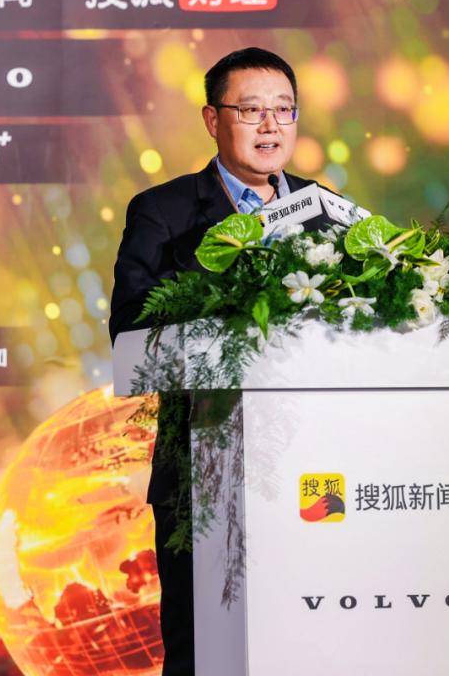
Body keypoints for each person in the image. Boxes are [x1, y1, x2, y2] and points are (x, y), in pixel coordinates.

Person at [109, 47, 339, 675]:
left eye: (284, 110)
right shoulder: (165, 211)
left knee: (315, 638)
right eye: (251, 110)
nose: (270, 125)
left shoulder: (326, 210)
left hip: (319, 467)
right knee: (204, 649)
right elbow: (131, 330)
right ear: (213, 120)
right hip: (205, 468)